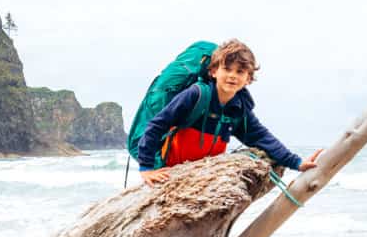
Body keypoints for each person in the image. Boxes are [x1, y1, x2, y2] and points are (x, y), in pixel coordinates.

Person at [134, 39, 319, 186]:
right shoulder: (197, 95)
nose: (232, 75)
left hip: (203, 174)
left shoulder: (238, 109)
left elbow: (261, 137)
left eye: (240, 71)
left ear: (248, 78)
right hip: (172, 169)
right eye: (227, 69)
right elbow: (158, 124)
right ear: (214, 71)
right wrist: (147, 168)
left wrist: (296, 163)